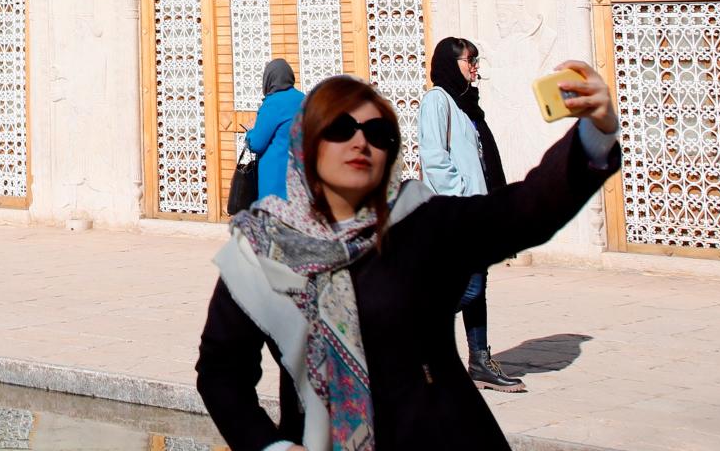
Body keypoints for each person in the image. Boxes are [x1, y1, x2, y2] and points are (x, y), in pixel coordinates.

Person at [196, 65, 620, 450]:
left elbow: (525, 210)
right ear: (306, 143)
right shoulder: (260, 250)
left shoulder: (421, 223)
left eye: (379, 134)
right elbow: (220, 372)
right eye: (341, 128)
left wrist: (596, 131)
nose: (361, 141)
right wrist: (270, 447)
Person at [420, 36, 522, 392]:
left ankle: (479, 360)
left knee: (478, 286)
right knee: (469, 284)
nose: (475, 67)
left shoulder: (467, 104)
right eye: (469, 60)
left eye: (476, 60)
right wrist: (462, 197)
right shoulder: (438, 100)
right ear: (451, 64)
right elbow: (434, 159)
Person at [246, 59, 304, 203]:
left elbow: (257, 143)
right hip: (301, 177)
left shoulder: (273, 104)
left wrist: (249, 133)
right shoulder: (304, 99)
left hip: (276, 179)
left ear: (268, 79)